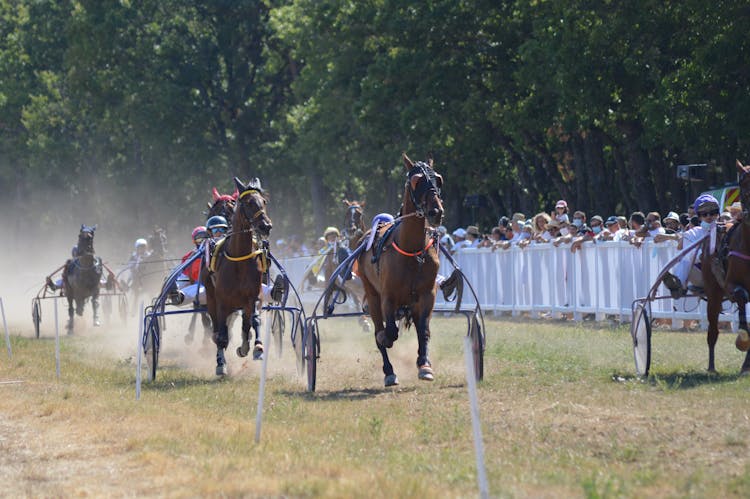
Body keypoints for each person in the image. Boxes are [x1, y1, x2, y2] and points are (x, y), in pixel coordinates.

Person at [662, 194, 721, 298]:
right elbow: (690, 255)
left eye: (713, 212)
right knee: (684, 259)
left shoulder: (726, 230)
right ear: (699, 216)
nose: (709, 216)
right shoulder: (692, 234)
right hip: (702, 275)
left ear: (718, 213)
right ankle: (678, 285)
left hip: (725, 272)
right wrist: (706, 256)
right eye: (704, 213)